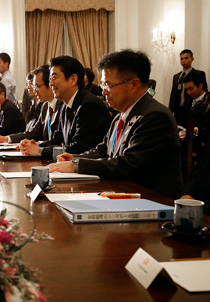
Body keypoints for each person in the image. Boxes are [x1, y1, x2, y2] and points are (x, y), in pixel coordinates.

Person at [49, 50, 183, 199]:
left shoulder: (155, 116)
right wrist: (74, 159)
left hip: (152, 200)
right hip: (122, 193)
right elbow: (103, 150)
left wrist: (76, 166)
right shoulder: (122, 115)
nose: (103, 91)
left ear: (133, 85)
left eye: (107, 85)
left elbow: (128, 164)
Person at [20, 56, 111, 159]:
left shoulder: (89, 105)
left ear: (73, 79)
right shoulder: (65, 105)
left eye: (54, 78)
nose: (51, 84)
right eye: (50, 79)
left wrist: (40, 151)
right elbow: (57, 140)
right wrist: (35, 146)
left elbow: (79, 148)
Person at [0, 65, 62, 144]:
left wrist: (38, 146)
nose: (35, 91)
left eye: (37, 86)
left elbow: (58, 142)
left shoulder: (62, 106)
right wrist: (7, 139)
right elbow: (34, 133)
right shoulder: (45, 106)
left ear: (50, 84)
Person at [169, 49, 207, 126]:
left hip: (192, 108)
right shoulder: (176, 76)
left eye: (186, 58)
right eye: (181, 59)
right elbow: (173, 95)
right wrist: (170, 112)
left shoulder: (199, 74)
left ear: (192, 59)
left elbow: (204, 92)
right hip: (178, 110)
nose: (183, 61)